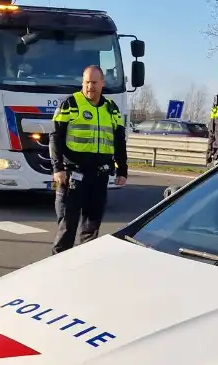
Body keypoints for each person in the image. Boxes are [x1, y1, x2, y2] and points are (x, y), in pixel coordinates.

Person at [49, 65, 128, 254]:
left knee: (91, 233)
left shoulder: (111, 109)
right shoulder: (70, 103)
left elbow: (119, 141)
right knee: (67, 230)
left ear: (102, 84)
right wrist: (57, 167)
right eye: (86, 82)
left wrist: (122, 170)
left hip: (99, 177)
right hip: (72, 176)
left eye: (94, 82)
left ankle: (83, 274)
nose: (89, 87)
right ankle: (57, 273)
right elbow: (55, 137)